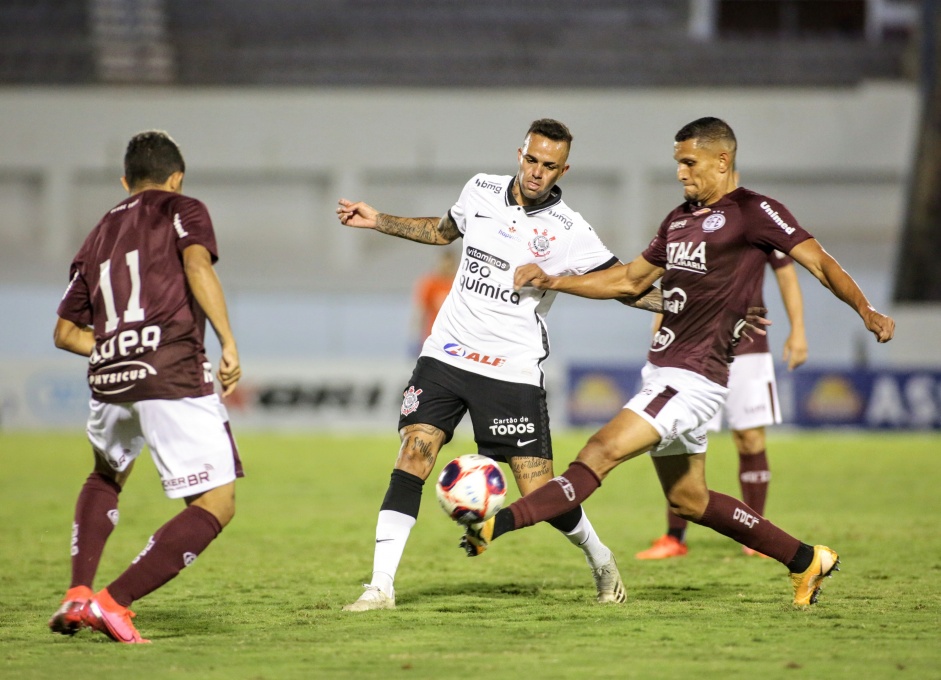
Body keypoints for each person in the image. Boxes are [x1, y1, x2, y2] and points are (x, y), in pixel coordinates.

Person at [462, 117, 895, 607]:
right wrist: (553, 279)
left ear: (722, 160)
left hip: (693, 380)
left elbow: (818, 261)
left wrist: (866, 309)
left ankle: (495, 525)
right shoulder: (679, 219)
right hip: (666, 372)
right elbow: (627, 282)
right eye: (678, 163)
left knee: (599, 452)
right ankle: (805, 559)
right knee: (690, 500)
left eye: (689, 163)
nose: (681, 173)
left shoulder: (755, 211)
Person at [336, 118, 662, 611]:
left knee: (539, 490)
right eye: (531, 160)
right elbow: (444, 231)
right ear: (520, 153)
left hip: (510, 369)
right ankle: (380, 586)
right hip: (446, 352)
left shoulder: (570, 230)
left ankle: (601, 559)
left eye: (549, 166)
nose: (536, 172)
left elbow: (622, 285)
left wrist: (688, 306)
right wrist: (378, 219)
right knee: (414, 453)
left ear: (563, 169)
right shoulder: (480, 189)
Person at [48, 130, 243, 643]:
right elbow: (197, 265)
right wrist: (227, 340)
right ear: (176, 177)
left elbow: (65, 333)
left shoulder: (97, 233)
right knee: (216, 502)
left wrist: (118, 345)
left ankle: (78, 592)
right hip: (172, 368)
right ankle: (112, 603)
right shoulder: (184, 208)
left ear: (125, 182)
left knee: (106, 475)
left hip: (110, 376)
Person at [636, 249, 808, 559]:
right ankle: (674, 538)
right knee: (678, 436)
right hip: (691, 349)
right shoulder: (688, 223)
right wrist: (659, 327)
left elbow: (786, 273)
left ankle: (756, 538)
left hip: (748, 345)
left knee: (750, 438)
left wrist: (798, 330)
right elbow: (671, 280)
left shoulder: (759, 218)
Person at [411, 248, 458, 354]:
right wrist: (415, 338)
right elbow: (420, 311)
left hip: (454, 339)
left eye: (450, 264)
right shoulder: (430, 283)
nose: (447, 267)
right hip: (433, 338)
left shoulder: (458, 284)